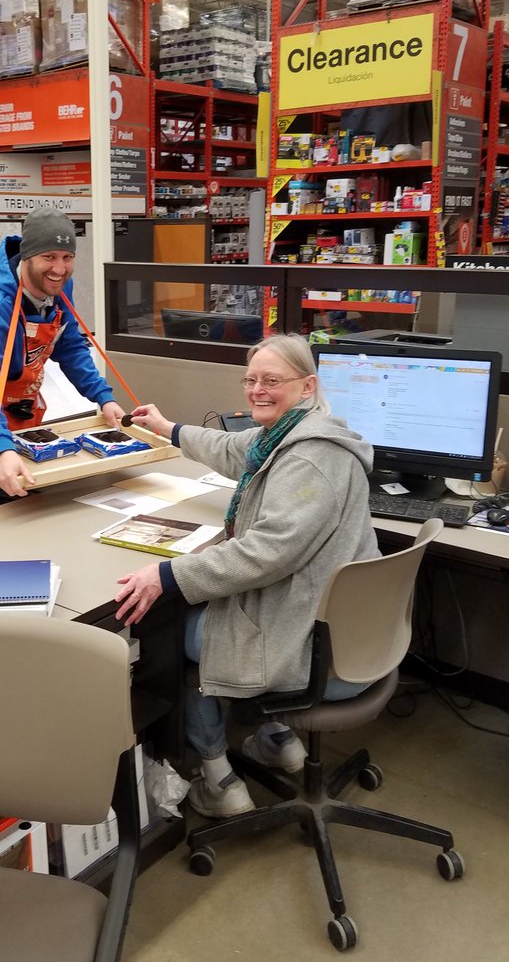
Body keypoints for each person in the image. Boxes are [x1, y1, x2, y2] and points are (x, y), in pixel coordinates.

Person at [115, 333, 379, 819]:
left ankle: (220, 780)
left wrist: (167, 575)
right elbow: (233, 448)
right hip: (336, 630)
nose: (257, 389)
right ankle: (278, 739)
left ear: (307, 386)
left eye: (272, 381)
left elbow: (266, 553)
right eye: (251, 380)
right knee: (205, 606)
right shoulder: (290, 435)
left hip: (313, 648)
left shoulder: (308, 458)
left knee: (176, 635)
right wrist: (168, 429)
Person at [0, 208, 124, 506]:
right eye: (49, 257)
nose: (59, 269)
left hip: (27, 419)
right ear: (27, 256)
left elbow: (69, 346)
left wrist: (104, 398)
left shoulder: (58, 289)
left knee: (34, 508)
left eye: (67, 257)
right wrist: (0, 449)